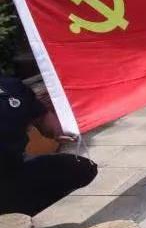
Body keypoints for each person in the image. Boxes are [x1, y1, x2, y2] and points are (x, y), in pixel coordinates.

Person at [0, 75, 97, 216]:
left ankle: (16, 214)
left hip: (13, 168)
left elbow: (41, 117)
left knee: (80, 168)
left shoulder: (10, 86)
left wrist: (60, 130)